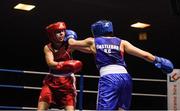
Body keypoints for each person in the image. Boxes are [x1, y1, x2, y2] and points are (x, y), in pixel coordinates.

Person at [66, 20, 174, 110]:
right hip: (125, 78)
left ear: (95, 31)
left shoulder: (92, 41)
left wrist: (69, 35)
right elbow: (145, 55)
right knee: (122, 109)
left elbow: (72, 43)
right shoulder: (122, 42)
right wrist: (159, 61)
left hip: (109, 79)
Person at [37, 21, 85, 111]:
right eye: (58, 32)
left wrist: (94, 47)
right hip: (51, 82)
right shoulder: (48, 47)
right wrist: (67, 64)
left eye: (63, 31)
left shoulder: (69, 45)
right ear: (52, 35)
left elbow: (85, 47)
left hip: (67, 83)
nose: (62, 34)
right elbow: (50, 63)